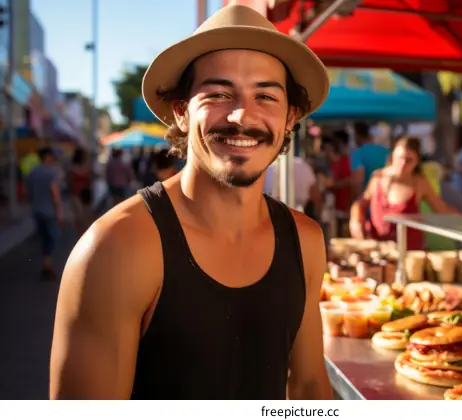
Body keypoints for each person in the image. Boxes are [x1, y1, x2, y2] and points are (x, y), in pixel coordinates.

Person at [50, 5, 332, 400]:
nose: (241, 115)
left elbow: (308, 389)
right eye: (218, 93)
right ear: (181, 111)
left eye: (266, 96)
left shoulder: (306, 241)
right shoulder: (117, 247)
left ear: (290, 118)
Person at [349, 137, 458, 247]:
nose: (403, 164)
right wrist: (355, 219)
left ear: (417, 162)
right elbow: (361, 202)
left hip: (409, 252)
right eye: (400, 158)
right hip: (379, 249)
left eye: (409, 160)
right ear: (393, 156)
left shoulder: (419, 182)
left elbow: (442, 210)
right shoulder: (378, 177)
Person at [26, 147, 63, 280]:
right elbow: (55, 195)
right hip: (49, 212)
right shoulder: (51, 173)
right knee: (53, 238)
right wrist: (59, 213)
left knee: (45, 238)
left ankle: (46, 264)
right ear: (47, 156)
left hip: (37, 210)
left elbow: (28, 193)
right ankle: (47, 266)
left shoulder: (33, 172)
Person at [350, 121, 389, 199]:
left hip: (369, 202)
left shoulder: (358, 153)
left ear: (357, 136)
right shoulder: (386, 151)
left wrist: (358, 202)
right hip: (388, 199)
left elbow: (357, 181)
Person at [68, 147, 93, 236]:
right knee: (79, 217)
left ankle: (85, 234)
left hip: (85, 193)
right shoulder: (74, 167)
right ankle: (81, 235)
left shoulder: (87, 165)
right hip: (76, 194)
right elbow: (80, 173)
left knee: (86, 215)